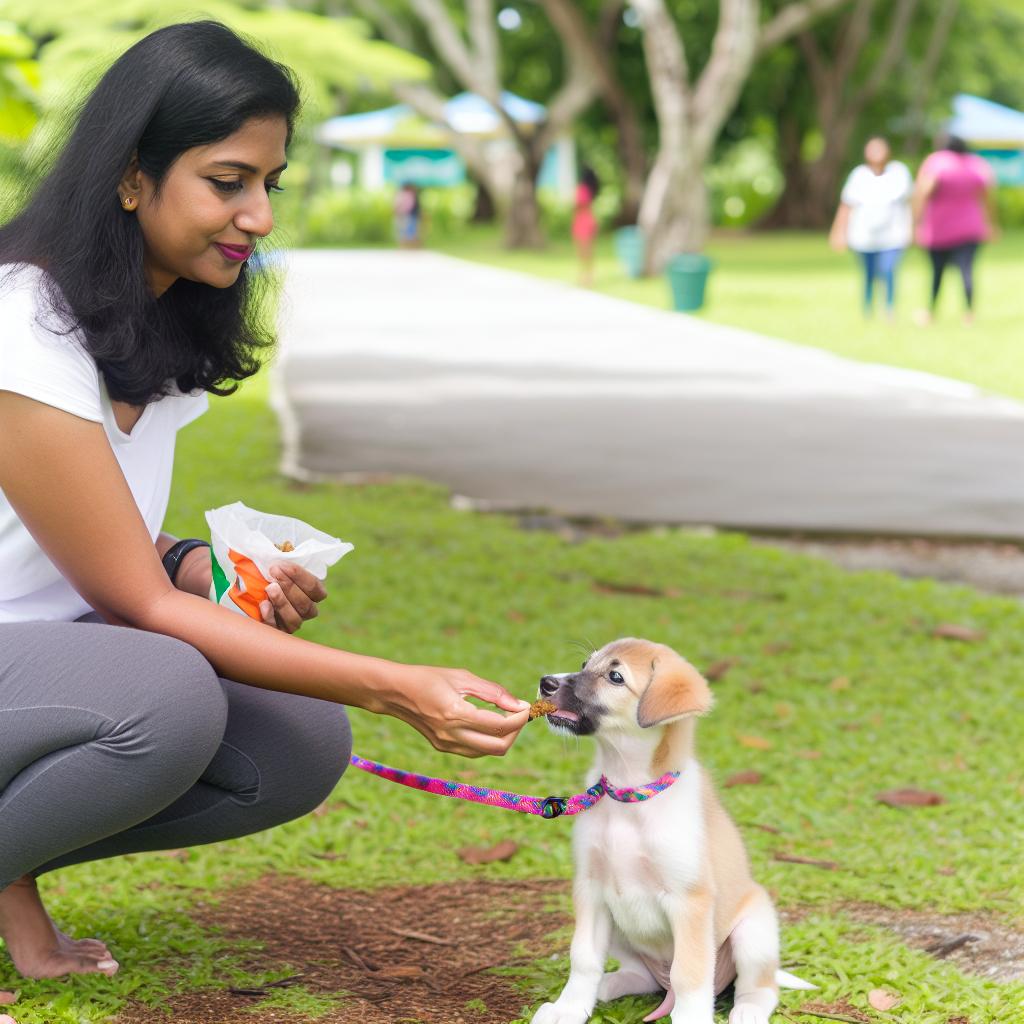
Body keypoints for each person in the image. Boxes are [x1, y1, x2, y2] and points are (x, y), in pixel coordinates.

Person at [0, 21, 531, 1018]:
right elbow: (131, 602)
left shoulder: (149, 330)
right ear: (131, 178)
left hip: (31, 658)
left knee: (296, 741)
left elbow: (85, 546)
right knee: (166, 692)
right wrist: (396, 685)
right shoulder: (23, 325)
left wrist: (208, 566)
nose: (259, 215)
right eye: (227, 181)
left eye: (269, 184)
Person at [912, 133, 997, 325]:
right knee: (966, 270)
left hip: (939, 228)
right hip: (970, 227)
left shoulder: (937, 162)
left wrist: (916, 223)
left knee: (937, 272)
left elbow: (923, 192)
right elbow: (987, 196)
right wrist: (991, 224)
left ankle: (931, 311)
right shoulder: (976, 164)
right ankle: (969, 314)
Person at [829, 136, 913, 319]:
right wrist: (838, 232)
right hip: (864, 235)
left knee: (889, 270)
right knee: (869, 274)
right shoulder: (859, 175)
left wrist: (915, 227)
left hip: (893, 234)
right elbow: (846, 205)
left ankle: (889, 308)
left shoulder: (898, 173)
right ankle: (867, 309)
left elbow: (910, 203)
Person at [572, 166, 600, 287]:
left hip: (582, 221)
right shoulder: (590, 190)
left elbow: (579, 204)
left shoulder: (582, 189)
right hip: (589, 220)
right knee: (589, 251)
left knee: (583, 252)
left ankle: (586, 276)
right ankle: (588, 275)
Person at [394, 182, 422, 249]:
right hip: (406, 214)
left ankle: (409, 246)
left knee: (408, 230)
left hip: (407, 214)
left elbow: (410, 205)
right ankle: (405, 245)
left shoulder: (406, 194)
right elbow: (398, 204)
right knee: (405, 230)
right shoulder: (405, 194)